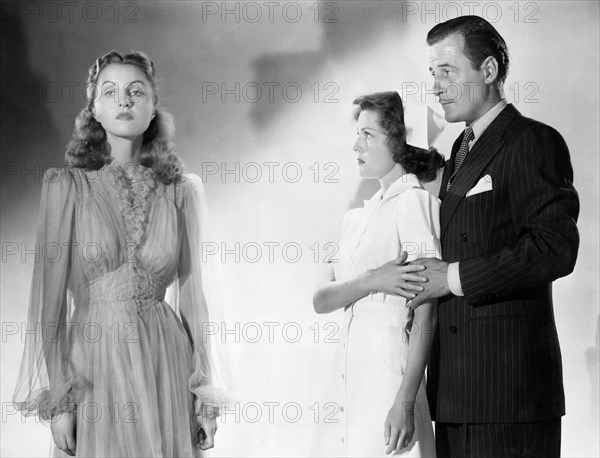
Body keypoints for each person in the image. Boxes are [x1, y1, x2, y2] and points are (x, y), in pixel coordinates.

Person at [12, 50, 228, 457]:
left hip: (165, 360)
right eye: (110, 92)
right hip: (95, 362)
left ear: (153, 107)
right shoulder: (67, 187)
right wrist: (60, 400)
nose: (124, 100)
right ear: (93, 109)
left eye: (135, 91)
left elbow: (195, 301)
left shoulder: (182, 191)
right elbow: (51, 306)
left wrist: (203, 395)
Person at [403, 16, 580, 458]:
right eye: (433, 75)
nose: (437, 87)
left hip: (511, 392)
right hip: (454, 390)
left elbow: (555, 247)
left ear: (488, 71)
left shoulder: (532, 140)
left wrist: (454, 278)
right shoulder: (458, 152)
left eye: (448, 72)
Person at [313, 91, 445, 457]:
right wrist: (373, 279)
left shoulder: (415, 202)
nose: (356, 144)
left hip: (391, 369)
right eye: (358, 133)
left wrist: (405, 400)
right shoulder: (357, 218)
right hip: (349, 364)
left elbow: (426, 310)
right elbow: (321, 298)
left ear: (399, 142)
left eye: (368, 135)